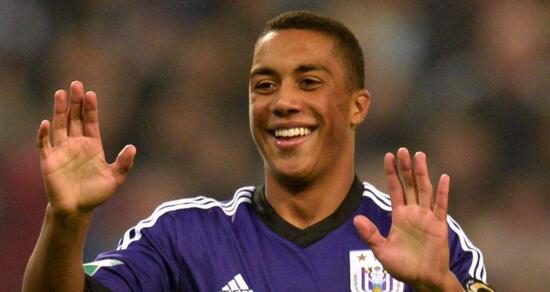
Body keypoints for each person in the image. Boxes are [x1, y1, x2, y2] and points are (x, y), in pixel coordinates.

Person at [23, 11, 494, 292]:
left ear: (357, 105)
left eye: (309, 82)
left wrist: (438, 288)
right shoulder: (184, 238)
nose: (284, 102)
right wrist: (66, 220)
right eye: (264, 85)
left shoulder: (425, 240)